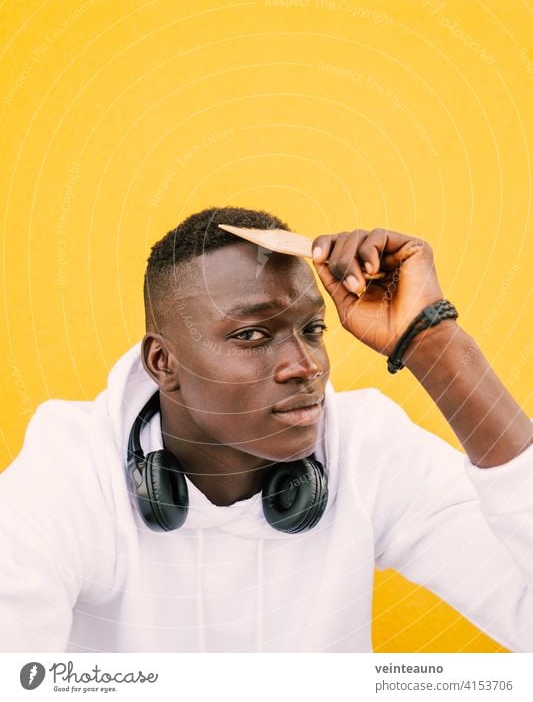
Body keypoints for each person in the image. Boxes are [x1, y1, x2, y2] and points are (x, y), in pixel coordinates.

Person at [1, 205, 532, 653]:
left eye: (313, 329)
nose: (306, 365)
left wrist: (432, 341)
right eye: (253, 333)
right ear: (163, 364)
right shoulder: (72, 468)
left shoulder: (367, 447)